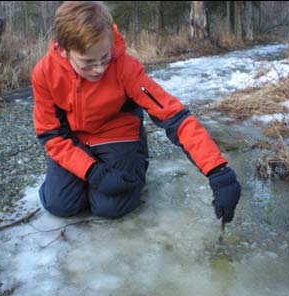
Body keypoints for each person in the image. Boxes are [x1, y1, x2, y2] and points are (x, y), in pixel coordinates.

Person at [32, 1, 241, 221]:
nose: (100, 68)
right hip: (73, 141)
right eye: (88, 62)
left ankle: (136, 162)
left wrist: (218, 172)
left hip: (117, 137)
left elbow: (174, 116)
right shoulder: (44, 74)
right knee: (59, 205)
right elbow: (51, 134)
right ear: (64, 51)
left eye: (105, 57)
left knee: (110, 208)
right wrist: (92, 171)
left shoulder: (125, 67)